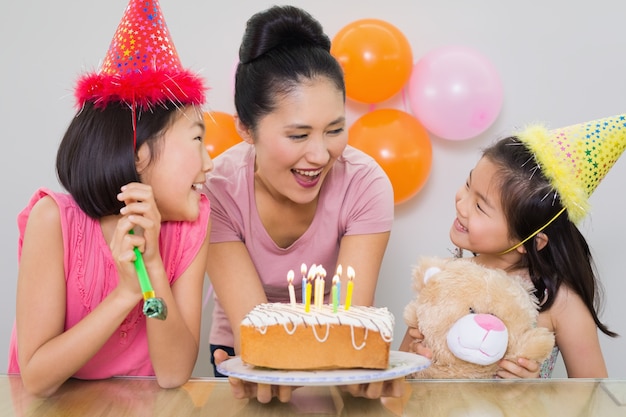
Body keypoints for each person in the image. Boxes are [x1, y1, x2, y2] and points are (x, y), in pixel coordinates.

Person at [8, 0, 213, 397]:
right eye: (198, 140)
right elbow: (36, 379)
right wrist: (126, 293)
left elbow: (173, 374)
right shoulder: (53, 220)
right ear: (138, 153)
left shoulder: (194, 225)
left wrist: (151, 266)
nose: (209, 162)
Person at [203, 5, 396, 402]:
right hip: (245, 354)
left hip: (337, 359)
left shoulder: (366, 183)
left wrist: (349, 371)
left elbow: (345, 323)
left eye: (335, 130)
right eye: (298, 135)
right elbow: (255, 330)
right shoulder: (217, 190)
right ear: (245, 127)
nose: (321, 155)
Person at [401, 114, 625, 378]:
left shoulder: (560, 302)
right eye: (468, 184)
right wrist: (413, 356)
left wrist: (532, 391)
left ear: (529, 241)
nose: (461, 204)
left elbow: (593, 399)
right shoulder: (446, 276)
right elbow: (398, 377)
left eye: (480, 206)